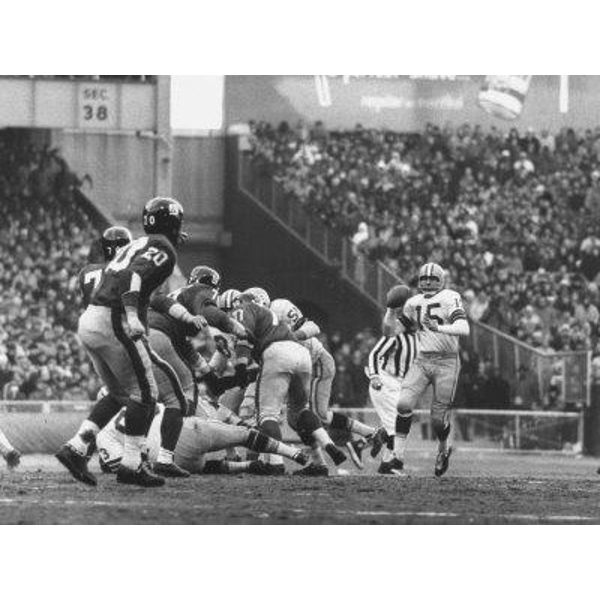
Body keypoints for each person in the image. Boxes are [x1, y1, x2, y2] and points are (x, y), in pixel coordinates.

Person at [56, 198, 203, 488]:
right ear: (172, 223)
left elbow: (133, 267)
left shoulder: (141, 243)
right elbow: (132, 274)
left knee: (119, 393)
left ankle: (76, 447)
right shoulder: (162, 248)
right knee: (146, 394)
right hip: (115, 319)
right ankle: (132, 464)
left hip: (91, 319)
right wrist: (133, 315)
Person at [232, 290, 347, 475]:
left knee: (267, 414)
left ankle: (275, 463)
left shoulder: (251, 311)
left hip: (279, 354)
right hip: (302, 356)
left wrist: (240, 366)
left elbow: (245, 339)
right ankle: (327, 447)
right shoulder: (274, 314)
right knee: (299, 412)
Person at [271, 297, 387, 474]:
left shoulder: (278, 311)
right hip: (305, 367)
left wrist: (292, 336)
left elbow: (312, 327)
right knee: (295, 420)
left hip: (317, 364)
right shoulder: (273, 315)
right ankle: (319, 463)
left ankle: (368, 433)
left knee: (316, 415)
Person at [383, 262, 470, 476]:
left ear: (441, 280)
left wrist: (438, 327)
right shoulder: (413, 302)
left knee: (438, 420)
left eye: (432, 279)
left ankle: (443, 450)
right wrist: (390, 311)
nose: (428, 282)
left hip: (447, 361)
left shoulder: (450, 296)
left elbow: (464, 328)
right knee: (403, 404)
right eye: (424, 279)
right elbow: (390, 332)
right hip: (422, 360)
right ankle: (397, 456)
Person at [96, 398, 309, 475]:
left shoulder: (104, 434)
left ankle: (246, 466)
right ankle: (293, 453)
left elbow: (120, 467)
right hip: (187, 432)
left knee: (202, 466)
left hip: (174, 460)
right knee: (244, 435)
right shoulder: (143, 397)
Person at [366, 284, 417, 474]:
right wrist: (374, 376)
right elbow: (375, 354)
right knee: (397, 428)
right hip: (386, 382)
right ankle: (393, 463)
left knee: (398, 427)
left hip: (400, 384)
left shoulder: (416, 337)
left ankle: (372, 452)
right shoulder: (396, 335)